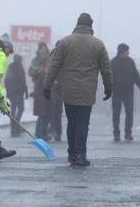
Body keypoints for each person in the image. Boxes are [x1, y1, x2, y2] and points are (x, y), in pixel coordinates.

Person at [43, 12, 112, 167]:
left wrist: (47, 85)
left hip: (69, 89)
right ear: (90, 25)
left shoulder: (65, 42)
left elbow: (55, 65)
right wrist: (109, 87)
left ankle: (72, 153)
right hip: (87, 91)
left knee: (71, 122)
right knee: (83, 123)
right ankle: (80, 154)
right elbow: (106, 69)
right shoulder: (98, 44)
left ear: (77, 24)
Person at [110, 43, 140, 141]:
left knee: (129, 112)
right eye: (127, 51)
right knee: (116, 113)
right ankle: (116, 133)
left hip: (128, 92)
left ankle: (128, 133)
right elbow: (108, 77)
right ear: (122, 52)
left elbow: (136, 75)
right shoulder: (113, 62)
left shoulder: (130, 61)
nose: (128, 53)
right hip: (116, 92)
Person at [29, 43, 51, 140]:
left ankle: (43, 133)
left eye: (44, 49)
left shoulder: (50, 60)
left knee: (47, 114)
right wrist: (37, 71)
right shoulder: (35, 60)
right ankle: (40, 134)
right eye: (41, 49)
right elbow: (31, 72)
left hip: (49, 90)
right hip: (39, 91)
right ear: (39, 50)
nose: (43, 51)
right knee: (41, 114)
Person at [4, 54, 29, 137]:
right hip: (18, 92)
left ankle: (14, 126)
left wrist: (8, 92)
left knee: (14, 110)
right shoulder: (19, 67)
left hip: (14, 92)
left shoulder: (11, 67)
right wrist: (26, 91)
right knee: (20, 109)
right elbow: (23, 81)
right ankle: (16, 125)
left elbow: (6, 81)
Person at [47, 41, 64, 142]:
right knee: (55, 112)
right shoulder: (55, 56)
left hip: (58, 89)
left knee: (57, 112)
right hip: (54, 88)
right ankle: (54, 132)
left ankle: (56, 132)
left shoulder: (55, 56)